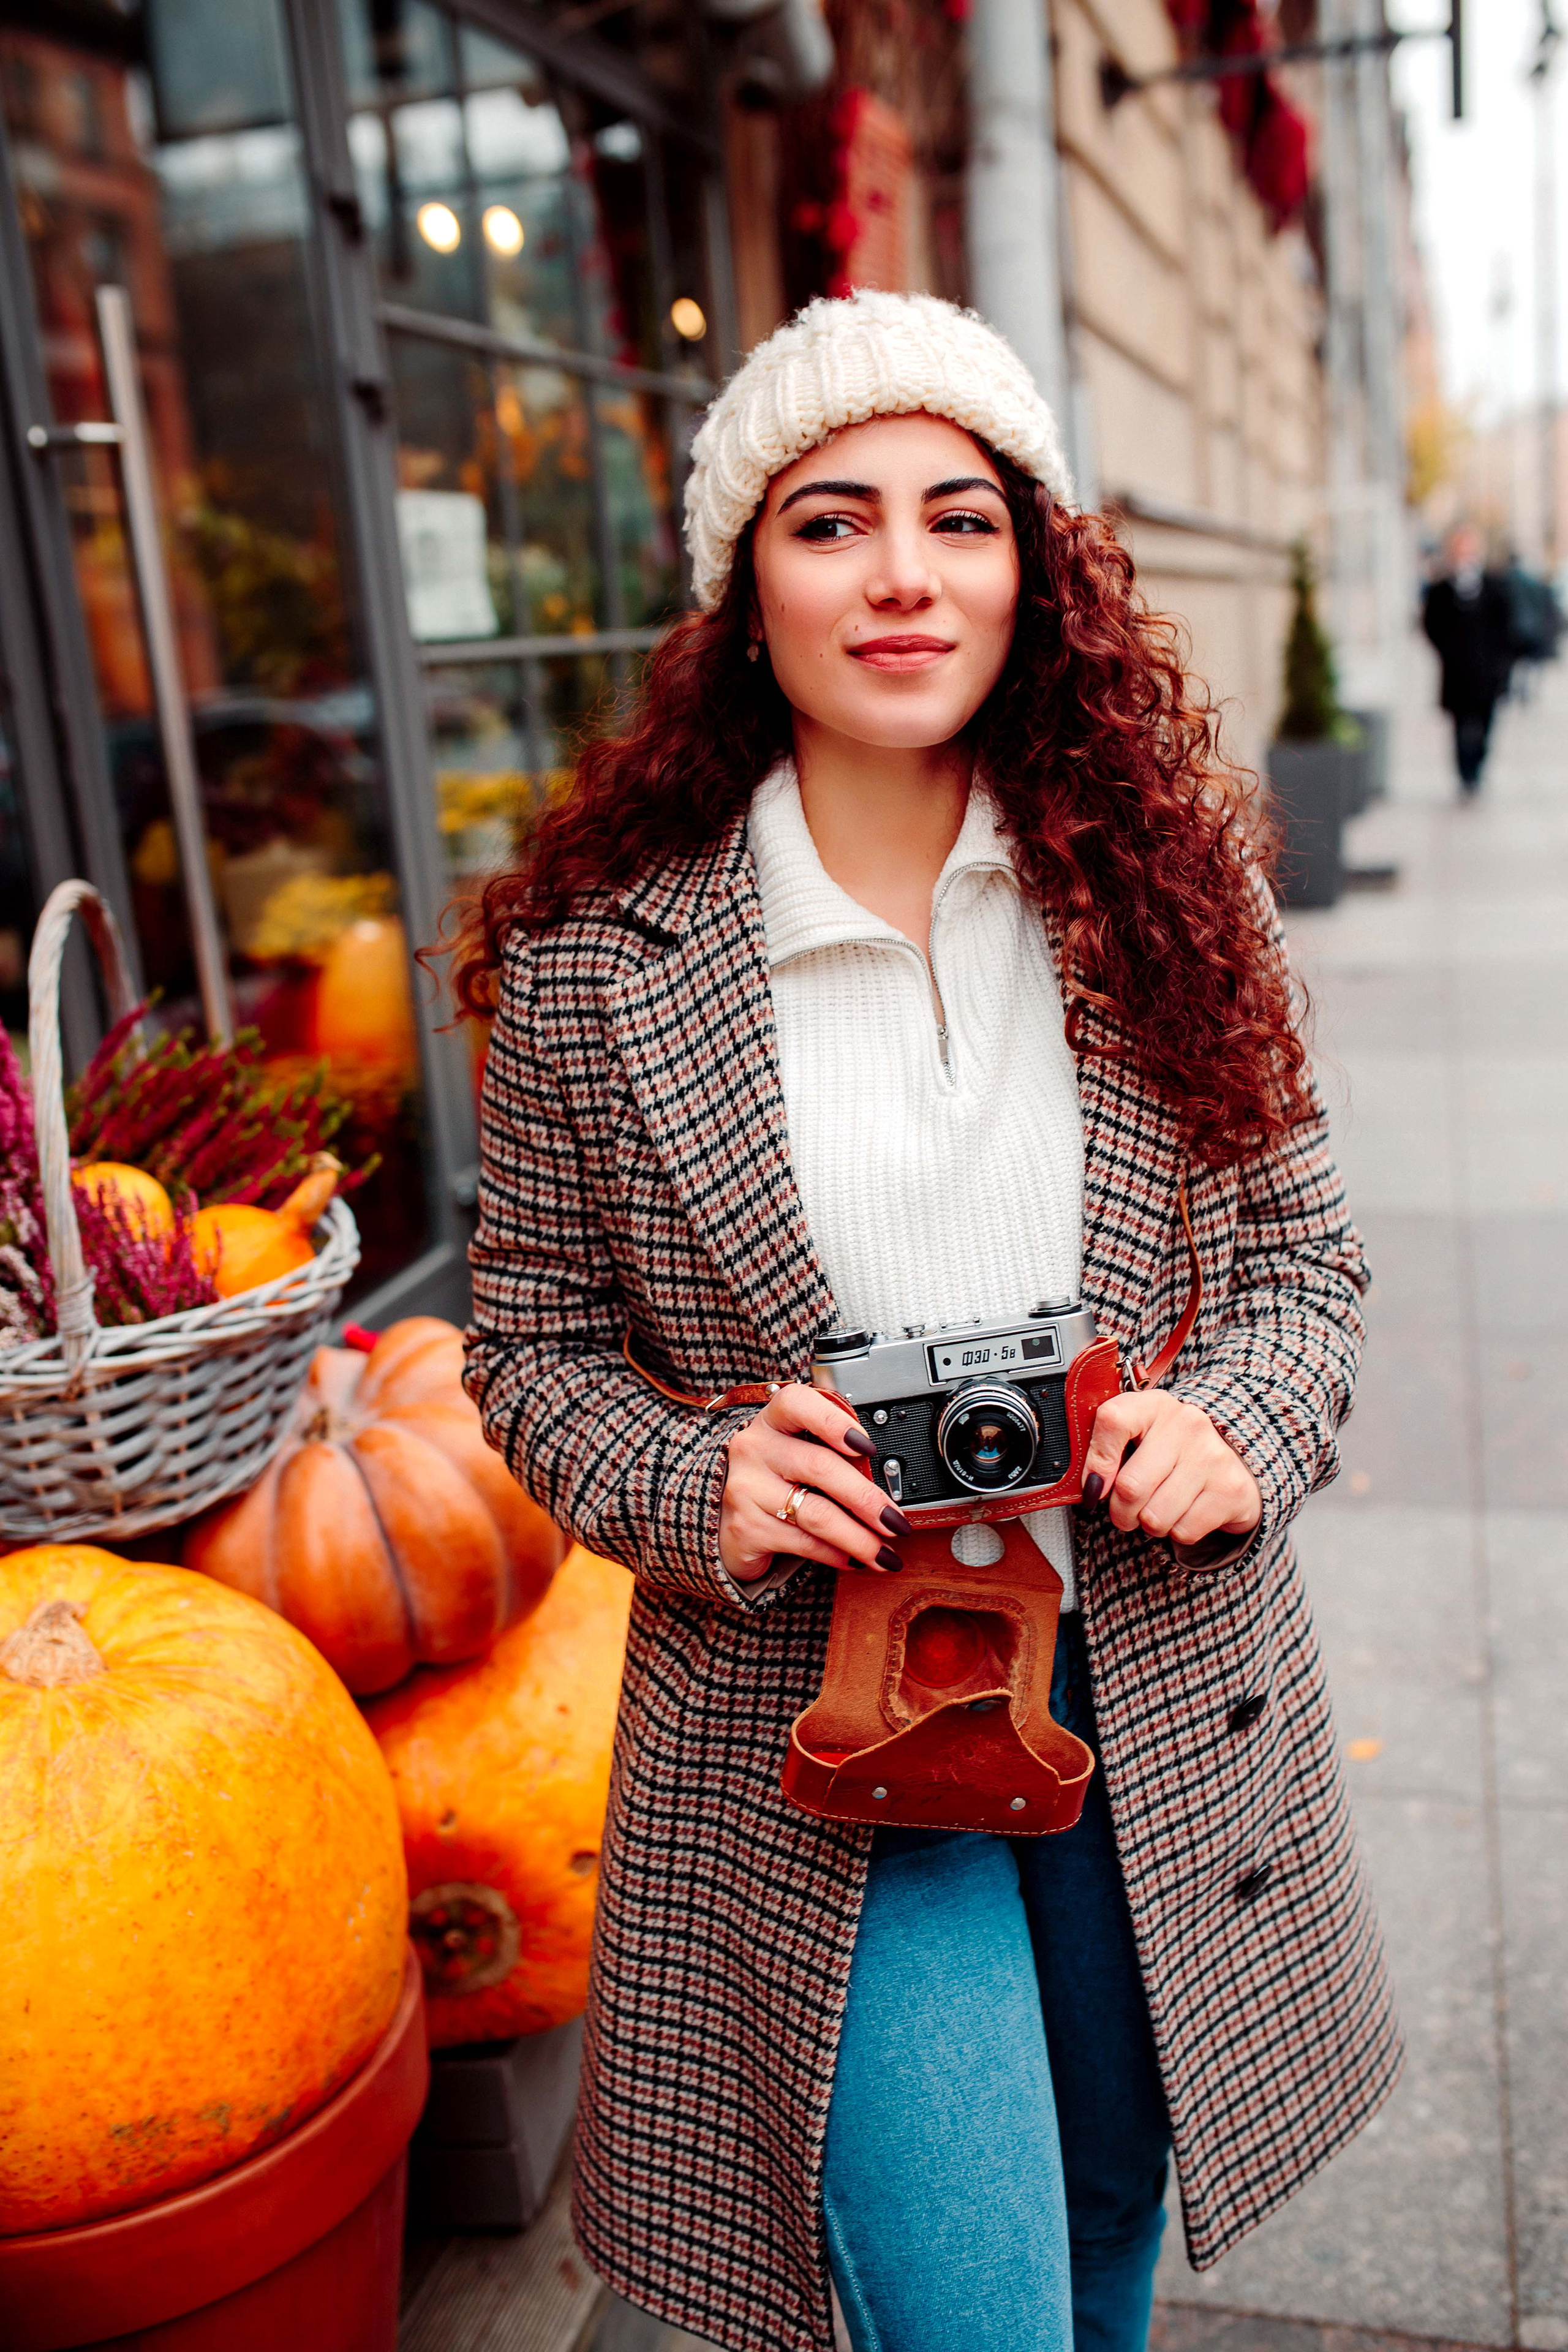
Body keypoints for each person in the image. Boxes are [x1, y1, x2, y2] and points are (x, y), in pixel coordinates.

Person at [459, 290, 1401, 2352]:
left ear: (1032, 569)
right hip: (819, 1729)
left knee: (1093, 2243)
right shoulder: (597, 967)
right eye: (831, 520)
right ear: (743, 587)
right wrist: (692, 1472)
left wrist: (1237, 1413)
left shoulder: (1169, 890)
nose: (903, 574)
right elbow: (521, 1346)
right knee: (972, 2310)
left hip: (1152, 1694)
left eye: (960, 517)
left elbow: (1303, 1267)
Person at [1422, 524, 1516, 793]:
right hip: (1457, 672)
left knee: (1486, 722)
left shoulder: (1494, 586)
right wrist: (1448, 651)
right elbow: (1431, 625)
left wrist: (1500, 659)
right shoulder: (1441, 590)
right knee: (1461, 725)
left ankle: (1479, 766)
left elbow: (1506, 625)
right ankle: (1466, 774)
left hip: (1487, 672)